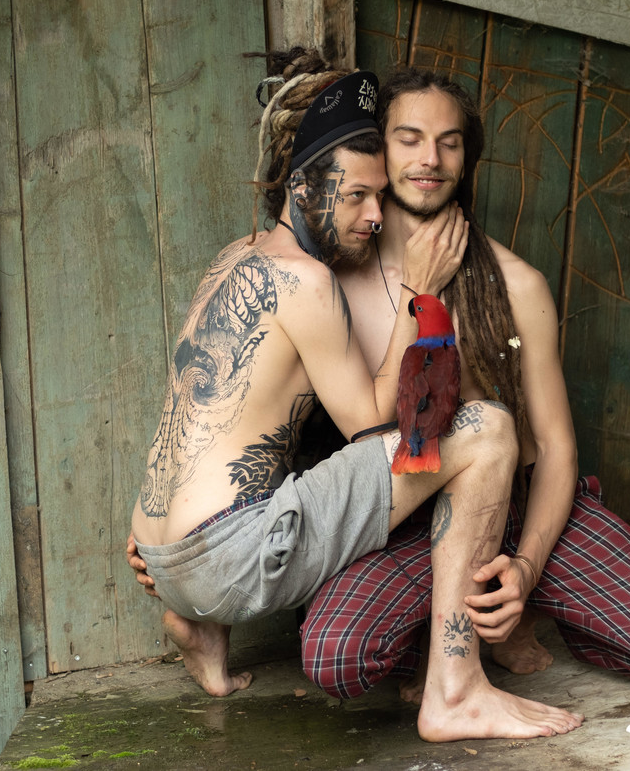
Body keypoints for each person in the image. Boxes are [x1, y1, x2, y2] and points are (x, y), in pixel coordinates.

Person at [129, 48, 583, 741]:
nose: (374, 215)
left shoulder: (234, 257)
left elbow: (200, 415)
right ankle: (456, 691)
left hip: (158, 548)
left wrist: (168, 552)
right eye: (354, 197)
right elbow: (375, 422)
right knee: (488, 428)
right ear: (302, 185)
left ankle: (199, 626)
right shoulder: (310, 283)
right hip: (230, 553)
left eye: (378, 196)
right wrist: (420, 293)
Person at [299, 65, 630, 708]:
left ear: (467, 158)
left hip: (522, 507)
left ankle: (535, 610)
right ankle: (441, 636)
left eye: (449, 142)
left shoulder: (516, 284)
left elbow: (557, 448)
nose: (430, 159)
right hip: (410, 523)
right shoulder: (330, 286)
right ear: (379, 149)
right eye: (409, 138)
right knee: (334, 658)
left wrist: (528, 569)